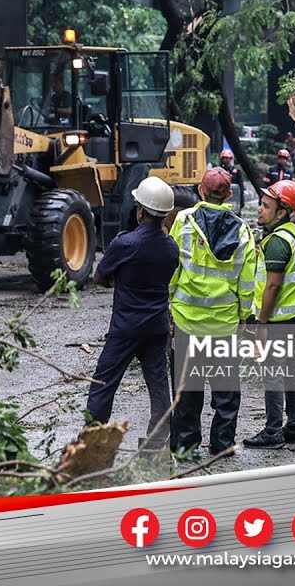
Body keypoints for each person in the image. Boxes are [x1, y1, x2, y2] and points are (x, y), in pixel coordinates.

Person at [168, 168, 258, 458]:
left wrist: (169, 304)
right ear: (229, 196)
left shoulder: (183, 221)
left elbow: (173, 269)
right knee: (226, 391)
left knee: (186, 389)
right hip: (224, 324)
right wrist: (245, 316)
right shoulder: (242, 230)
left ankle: (185, 446)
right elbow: (247, 283)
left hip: (187, 321)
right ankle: (222, 444)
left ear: (200, 190)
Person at [86, 177, 180, 451]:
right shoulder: (171, 247)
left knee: (103, 384)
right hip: (157, 328)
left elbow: (99, 277)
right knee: (159, 388)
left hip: (125, 328)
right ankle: (154, 449)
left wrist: (122, 281)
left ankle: (92, 447)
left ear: (141, 210)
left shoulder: (125, 243)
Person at [243, 180, 295, 449]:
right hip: (292, 317)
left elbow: (272, 285)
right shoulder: (293, 233)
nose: (259, 209)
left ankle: (272, 431)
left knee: (272, 373)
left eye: (266, 206)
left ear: (281, 212)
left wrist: (261, 323)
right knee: (289, 370)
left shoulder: (277, 243)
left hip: (278, 320)